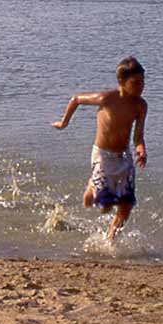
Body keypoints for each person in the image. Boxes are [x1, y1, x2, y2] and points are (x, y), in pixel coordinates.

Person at [52, 57, 149, 239]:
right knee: (104, 207)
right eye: (135, 83)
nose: (140, 86)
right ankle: (91, 185)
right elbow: (76, 99)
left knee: (126, 205)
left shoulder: (140, 106)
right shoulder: (107, 99)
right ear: (122, 82)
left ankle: (110, 239)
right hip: (102, 155)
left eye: (142, 82)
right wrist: (64, 122)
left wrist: (141, 149)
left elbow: (138, 136)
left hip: (123, 157)